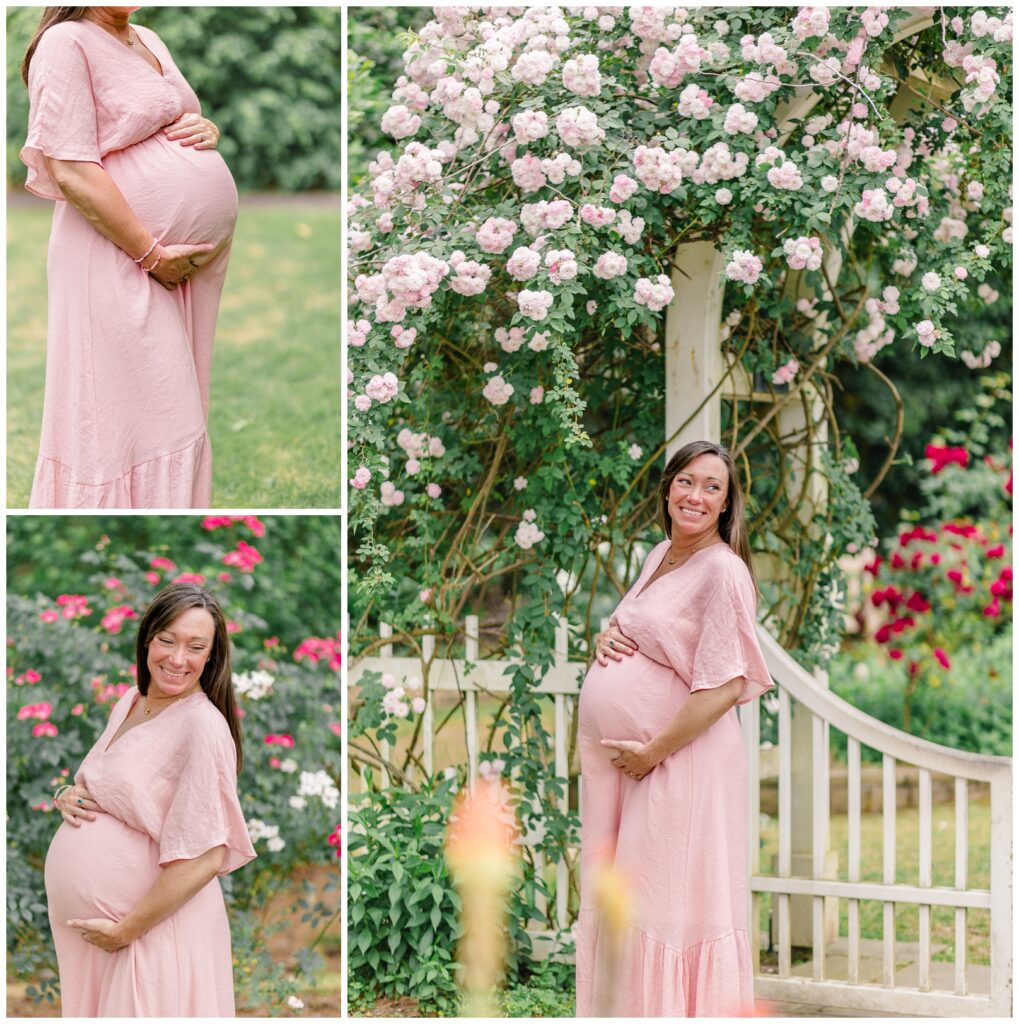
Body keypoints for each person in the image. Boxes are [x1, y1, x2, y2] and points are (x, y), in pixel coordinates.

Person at [576, 440, 774, 1017]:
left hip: (678, 761)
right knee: (624, 897)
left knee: (660, 903)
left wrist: (652, 753)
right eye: (687, 481)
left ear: (726, 504)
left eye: (713, 487)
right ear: (667, 489)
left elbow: (723, 686)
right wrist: (602, 638)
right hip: (633, 766)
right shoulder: (660, 552)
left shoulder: (723, 571)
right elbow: (638, 628)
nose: (696, 495)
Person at [20, 7, 238, 508]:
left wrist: (207, 130)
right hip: (118, 255)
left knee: (170, 416)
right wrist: (151, 253)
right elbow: (70, 167)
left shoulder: (146, 36)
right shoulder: (65, 42)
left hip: (175, 268)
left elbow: (171, 115)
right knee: (135, 427)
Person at [45, 582, 255, 1016]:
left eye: (196, 647)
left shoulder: (202, 725)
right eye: (167, 640)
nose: (178, 659)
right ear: (147, 638)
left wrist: (126, 931)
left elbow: (206, 856)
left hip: (151, 934)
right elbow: (112, 785)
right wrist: (66, 795)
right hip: (103, 940)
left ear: (211, 655)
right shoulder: (130, 701)